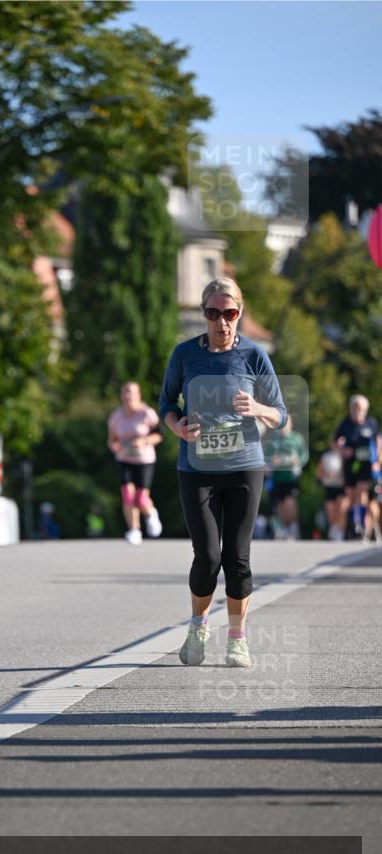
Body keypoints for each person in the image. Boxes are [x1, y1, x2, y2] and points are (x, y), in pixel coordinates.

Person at [159, 277, 287, 668]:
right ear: (204, 314)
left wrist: (258, 409)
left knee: (238, 558)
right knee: (207, 557)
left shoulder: (254, 355)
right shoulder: (184, 354)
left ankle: (237, 640)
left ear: (239, 313)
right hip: (196, 469)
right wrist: (178, 427)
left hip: (244, 467)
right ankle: (198, 626)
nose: (221, 321)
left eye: (229, 313)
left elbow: (281, 414)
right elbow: (167, 403)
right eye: (213, 313)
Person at [107, 381, 163, 544]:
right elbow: (111, 440)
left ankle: (151, 514)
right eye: (125, 392)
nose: (128, 396)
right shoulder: (116, 416)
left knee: (140, 498)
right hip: (124, 459)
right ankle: (134, 529)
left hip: (144, 460)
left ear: (139, 395)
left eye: (131, 392)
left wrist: (144, 441)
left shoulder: (147, 413)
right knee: (127, 494)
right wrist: (115, 447)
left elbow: (159, 435)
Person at [334, 395, 379, 539]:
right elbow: (335, 442)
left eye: (359, 408)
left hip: (366, 464)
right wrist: (342, 450)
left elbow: (378, 442)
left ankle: (362, 525)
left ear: (365, 409)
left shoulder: (371, 423)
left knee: (362, 491)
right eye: (354, 407)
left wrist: (377, 461)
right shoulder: (345, 424)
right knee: (351, 494)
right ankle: (354, 524)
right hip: (350, 464)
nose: (357, 410)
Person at [263, 415, 309, 540]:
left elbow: (304, 456)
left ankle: (293, 527)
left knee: (290, 501)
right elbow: (266, 457)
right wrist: (270, 463)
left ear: (291, 424)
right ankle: (283, 528)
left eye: (286, 423)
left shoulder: (297, 438)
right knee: (279, 504)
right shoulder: (272, 438)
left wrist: (297, 461)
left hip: (291, 476)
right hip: (276, 477)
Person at [317, 441, 348, 540]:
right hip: (330, 486)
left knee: (342, 508)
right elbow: (319, 473)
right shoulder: (326, 456)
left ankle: (341, 532)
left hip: (342, 487)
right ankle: (334, 528)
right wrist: (327, 475)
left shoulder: (345, 455)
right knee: (331, 511)